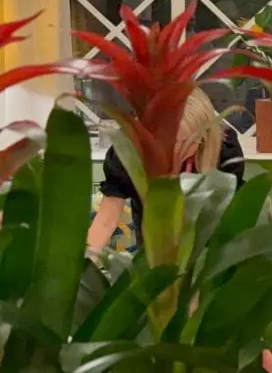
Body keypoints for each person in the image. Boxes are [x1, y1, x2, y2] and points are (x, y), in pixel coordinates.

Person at [87, 87, 246, 253]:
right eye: (167, 143)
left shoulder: (224, 151)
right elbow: (106, 221)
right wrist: (86, 262)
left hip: (208, 253)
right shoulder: (127, 151)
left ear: (204, 136)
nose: (175, 153)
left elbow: (232, 222)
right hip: (154, 253)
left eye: (186, 143)